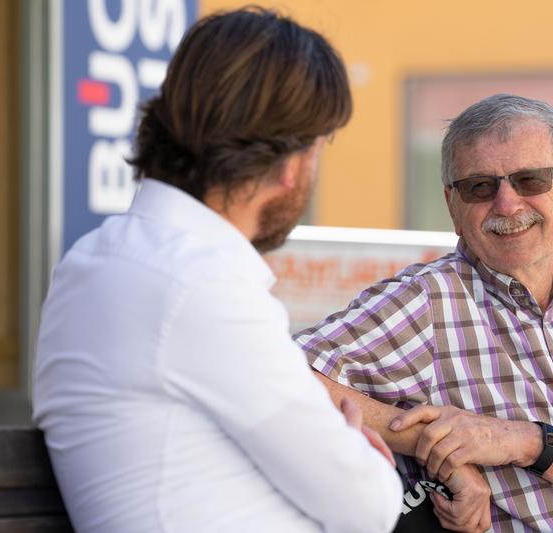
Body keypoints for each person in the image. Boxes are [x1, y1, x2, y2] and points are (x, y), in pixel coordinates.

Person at [32, 8, 401, 533]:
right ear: (290, 165)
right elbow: (369, 507)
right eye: (320, 148)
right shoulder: (197, 288)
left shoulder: (103, 260)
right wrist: (358, 455)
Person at [295, 94, 553, 532]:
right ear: (454, 207)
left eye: (530, 180)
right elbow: (281, 373)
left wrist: (521, 440)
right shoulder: (428, 300)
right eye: (480, 187)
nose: (507, 205)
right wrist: (442, 450)